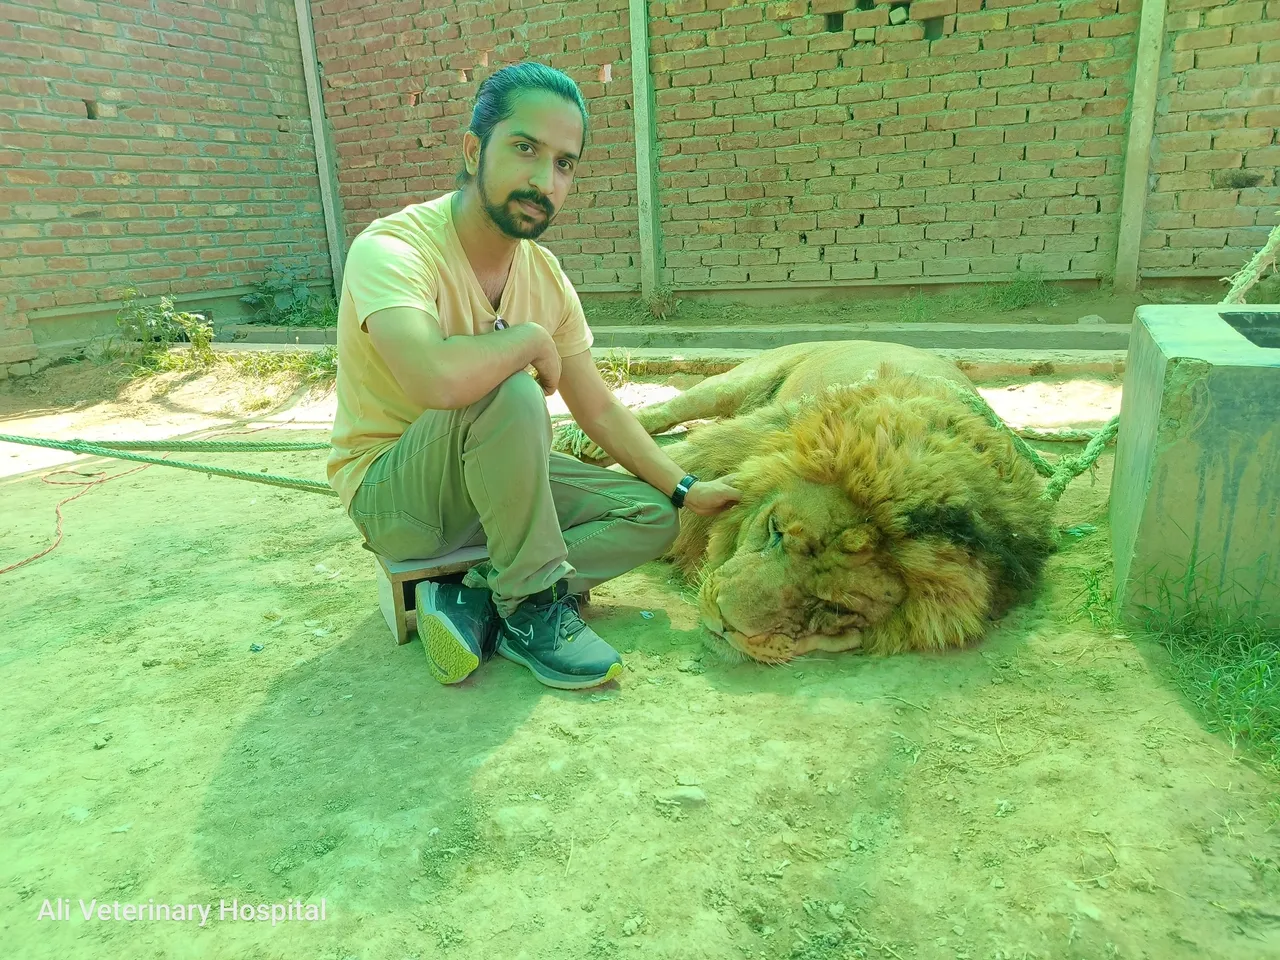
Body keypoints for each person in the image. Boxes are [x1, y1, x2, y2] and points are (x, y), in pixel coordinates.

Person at [327, 63, 742, 691]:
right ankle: (529, 609)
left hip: (500, 478)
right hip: (399, 496)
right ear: (473, 150)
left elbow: (597, 410)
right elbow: (435, 381)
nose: (543, 180)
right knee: (510, 385)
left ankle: (469, 597)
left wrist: (685, 490)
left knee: (649, 515)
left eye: (564, 164)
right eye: (525, 149)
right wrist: (527, 339)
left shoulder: (545, 276)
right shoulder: (393, 250)